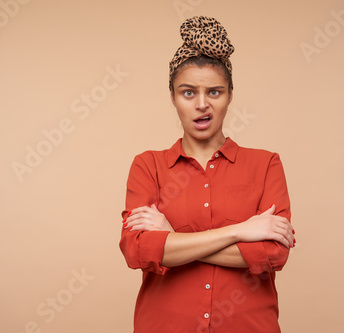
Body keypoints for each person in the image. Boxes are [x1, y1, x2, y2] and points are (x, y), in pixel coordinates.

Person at [119, 16, 295, 333]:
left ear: (229, 95)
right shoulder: (148, 166)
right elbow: (138, 251)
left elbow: (272, 254)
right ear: (172, 96)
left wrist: (172, 241)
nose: (202, 104)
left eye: (214, 92)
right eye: (189, 93)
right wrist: (241, 231)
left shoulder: (266, 164)